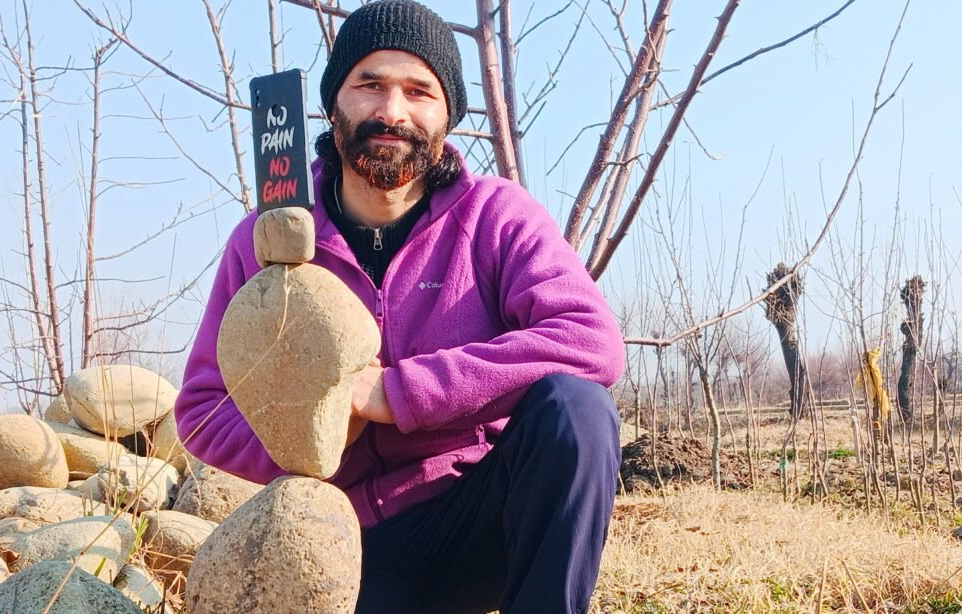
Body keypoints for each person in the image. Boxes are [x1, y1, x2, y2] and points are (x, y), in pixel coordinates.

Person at [174, 1, 626, 611]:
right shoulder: (268, 241)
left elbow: (590, 339)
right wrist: (311, 428)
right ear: (335, 103)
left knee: (576, 410)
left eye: (419, 91)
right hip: (341, 543)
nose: (392, 111)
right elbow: (202, 409)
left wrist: (393, 394)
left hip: (475, 512)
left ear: (446, 118)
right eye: (370, 84)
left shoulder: (495, 216)